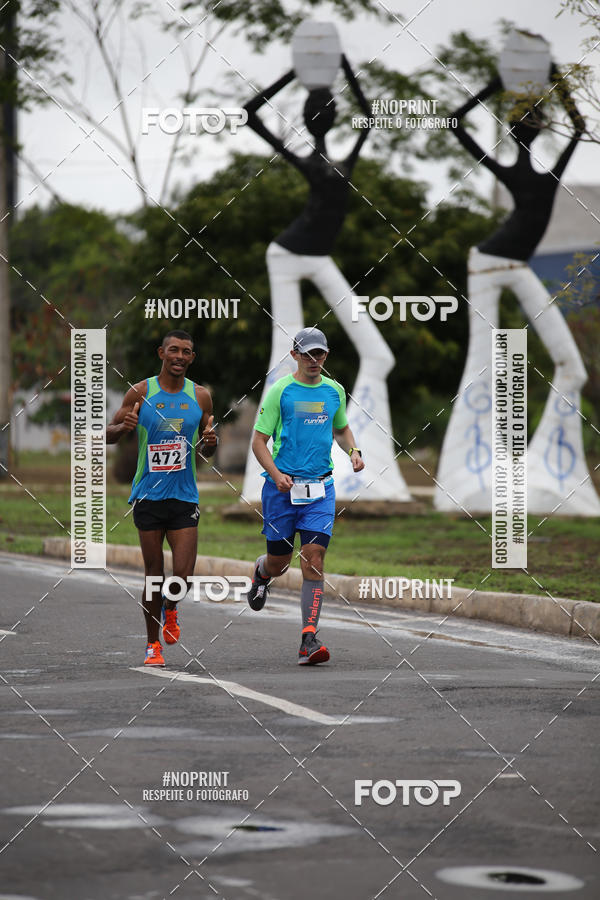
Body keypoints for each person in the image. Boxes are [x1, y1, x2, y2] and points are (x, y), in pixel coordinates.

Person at [240, 54, 410, 503]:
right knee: (285, 357)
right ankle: (270, 476)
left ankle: (362, 467)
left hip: (319, 256)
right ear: (306, 119)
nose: (326, 115)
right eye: (318, 110)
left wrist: (340, 65)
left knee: (378, 353)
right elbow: (249, 114)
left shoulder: (343, 158)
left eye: (330, 108)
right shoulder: (308, 161)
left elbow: (370, 115)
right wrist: (295, 72)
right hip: (287, 254)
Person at [435, 67, 600, 515]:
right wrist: (501, 84)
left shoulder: (542, 169)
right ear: (523, 128)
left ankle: (553, 470)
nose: (531, 126)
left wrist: (552, 79)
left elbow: (582, 128)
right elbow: (453, 121)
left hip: (517, 266)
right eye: (528, 120)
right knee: (482, 363)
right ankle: (465, 473)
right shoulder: (514, 168)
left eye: (534, 119)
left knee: (572, 367)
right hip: (486, 266)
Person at [245, 327, 364, 665]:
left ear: (326, 356)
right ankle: (263, 573)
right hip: (282, 490)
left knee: (313, 558)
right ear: (295, 355)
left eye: (320, 354)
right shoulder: (280, 392)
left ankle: (308, 638)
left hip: (320, 489)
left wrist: (353, 450)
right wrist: (277, 474)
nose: (314, 360)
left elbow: (340, 429)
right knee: (280, 562)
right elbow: (258, 442)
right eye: (308, 354)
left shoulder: (334, 390)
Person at [107, 330, 217, 666]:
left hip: (184, 497)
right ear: (161, 353)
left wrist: (211, 443)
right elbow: (107, 435)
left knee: (182, 577)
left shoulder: (200, 397)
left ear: (191, 357)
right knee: (154, 573)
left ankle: (171, 606)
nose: (180, 356)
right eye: (174, 350)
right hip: (149, 496)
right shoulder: (141, 392)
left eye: (186, 351)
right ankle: (152, 644)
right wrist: (121, 427)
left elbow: (206, 447)